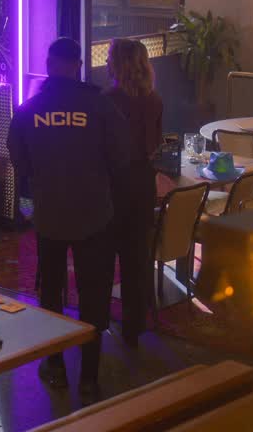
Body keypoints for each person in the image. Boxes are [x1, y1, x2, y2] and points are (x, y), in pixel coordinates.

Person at [7, 37, 130, 404]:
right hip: (94, 214)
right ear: (78, 65)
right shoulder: (100, 105)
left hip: (50, 215)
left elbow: (19, 161)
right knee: (93, 294)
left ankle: (55, 366)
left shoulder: (29, 109)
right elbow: (121, 157)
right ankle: (89, 377)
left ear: (48, 64)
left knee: (51, 291)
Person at [102, 39, 163, 347]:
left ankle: (97, 321)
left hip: (113, 187)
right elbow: (155, 147)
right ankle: (134, 326)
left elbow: (102, 148)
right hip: (142, 186)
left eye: (109, 58)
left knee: (103, 258)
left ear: (118, 64)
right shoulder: (154, 100)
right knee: (136, 260)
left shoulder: (107, 100)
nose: (106, 63)